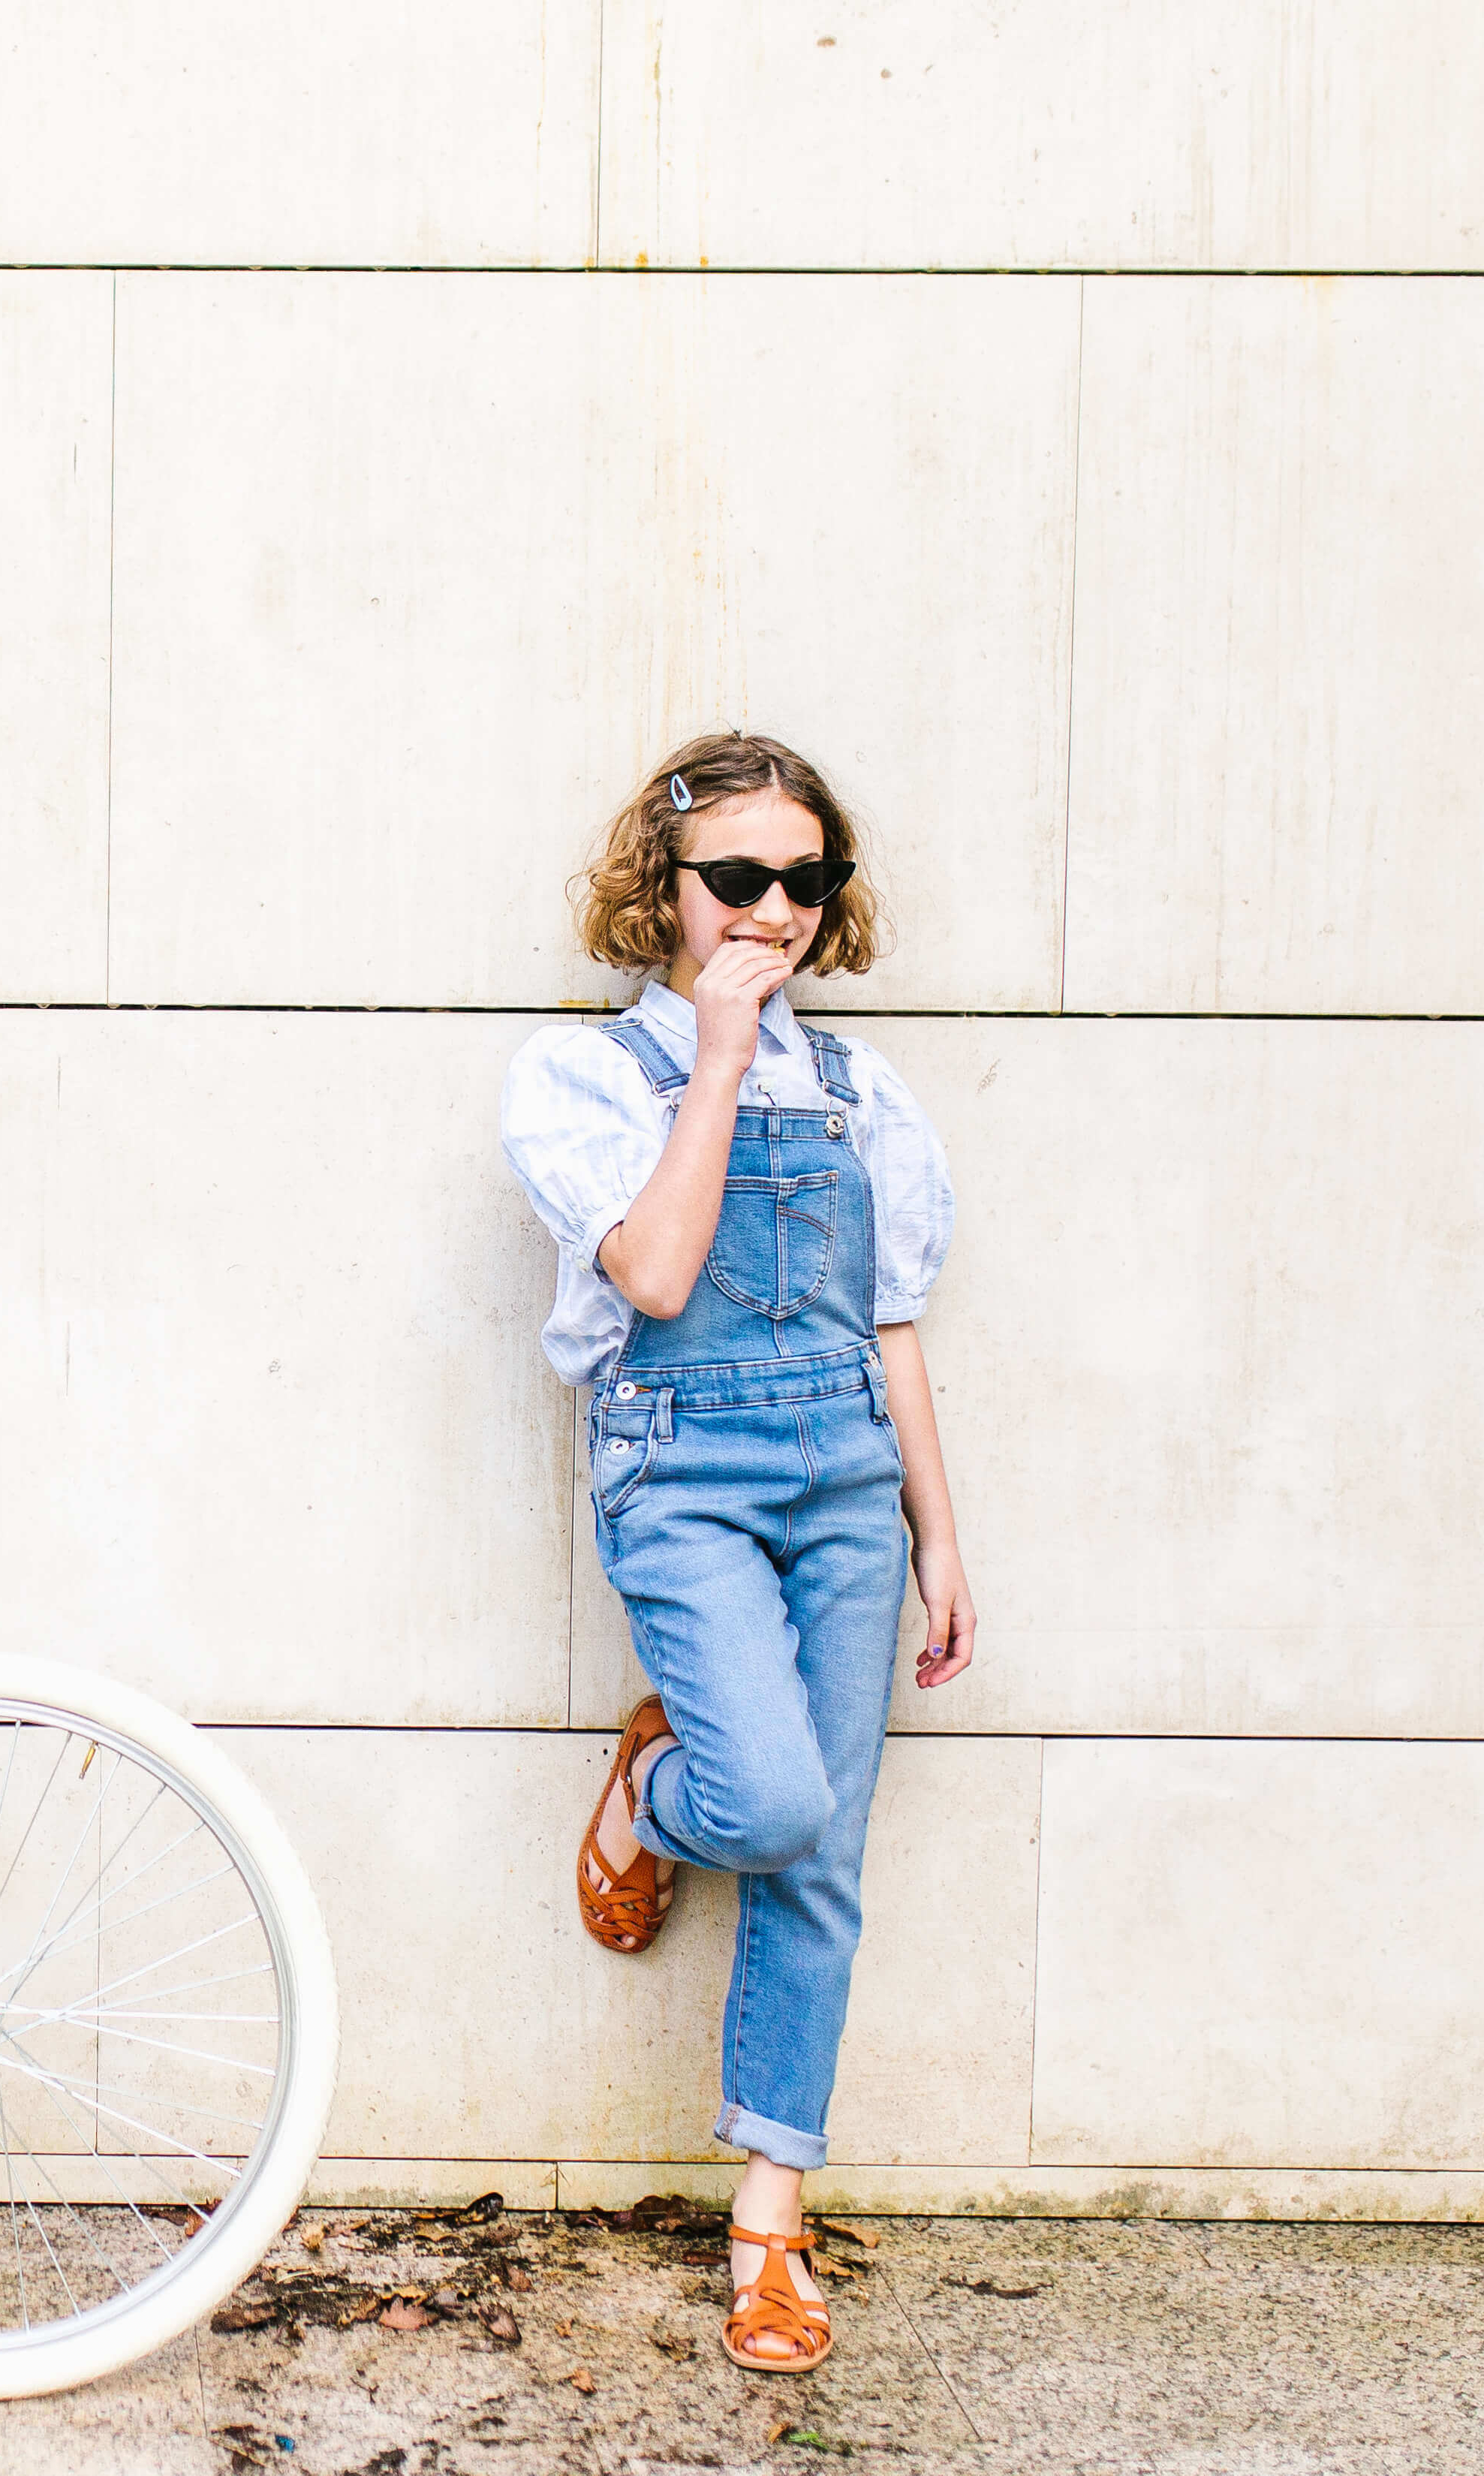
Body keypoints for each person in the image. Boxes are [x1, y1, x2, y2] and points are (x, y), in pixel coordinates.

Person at [499, 731, 978, 2376]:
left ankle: (768, 2220)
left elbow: (892, 1319)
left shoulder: (866, 1094)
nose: (768, 911)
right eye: (734, 880)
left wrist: (937, 1528)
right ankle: (656, 1786)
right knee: (763, 1797)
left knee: (818, 1852)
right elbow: (649, 1267)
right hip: (680, 1462)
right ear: (664, 893)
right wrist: (712, 1058)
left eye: (801, 879)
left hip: (847, 1465)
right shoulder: (582, 1080)